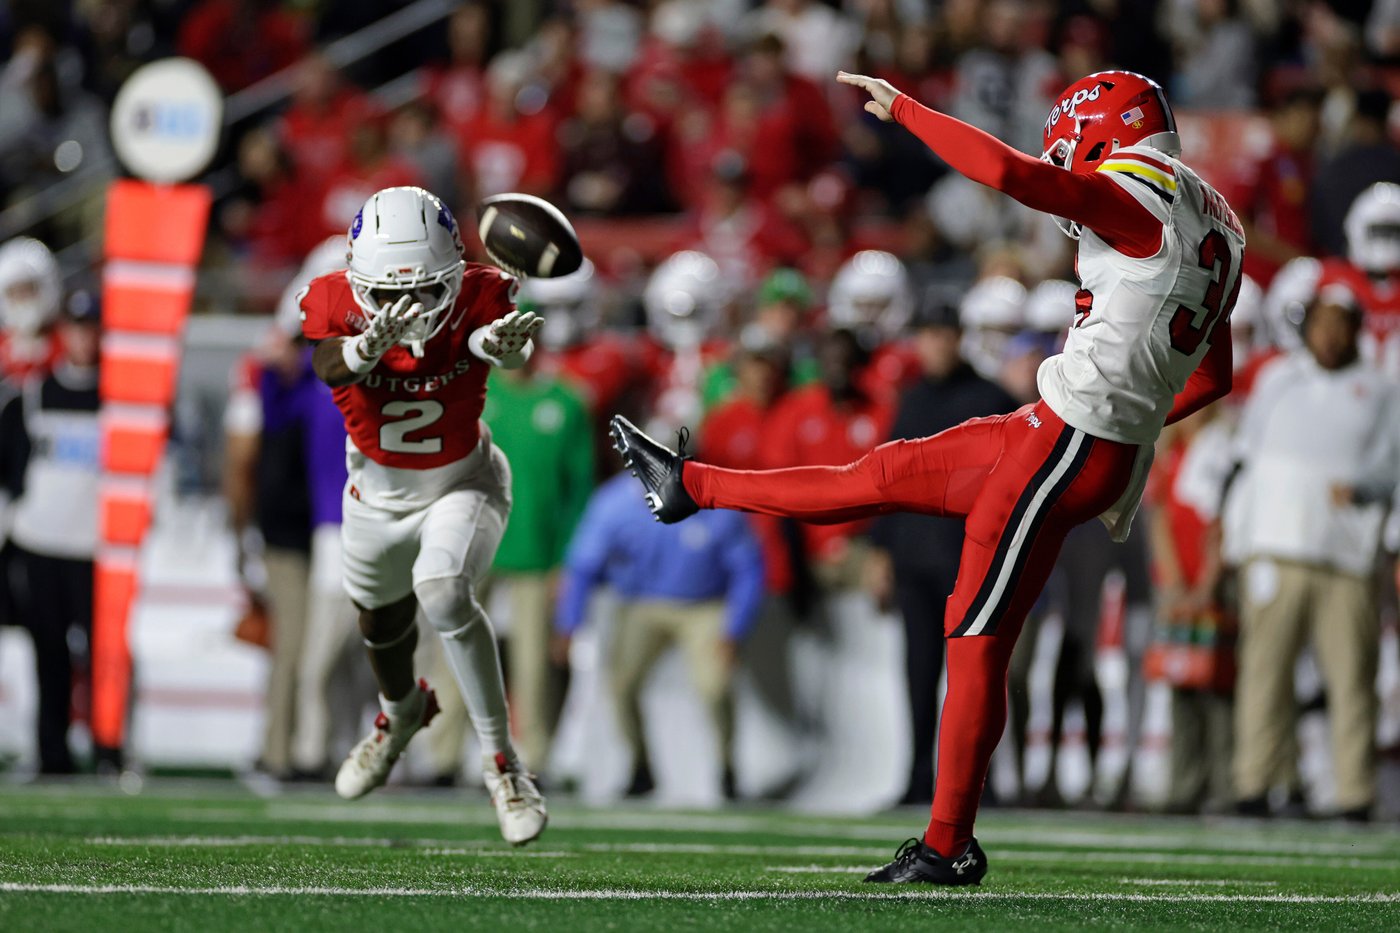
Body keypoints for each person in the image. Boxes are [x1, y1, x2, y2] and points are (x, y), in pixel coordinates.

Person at [611, 69, 1241, 885]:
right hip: (1068, 430)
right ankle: (689, 483)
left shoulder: (1138, 197)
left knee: (974, 635)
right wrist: (1131, 420)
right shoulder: (1209, 213)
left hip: (1068, 440)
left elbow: (1015, 175)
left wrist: (906, 109)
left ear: (1102, 131)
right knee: (880, 472)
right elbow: (1212, 375)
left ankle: (948, 842)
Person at [299, 185, 547, 844]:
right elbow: (325, 363)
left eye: (427, 289)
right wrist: (360, 351)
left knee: (443, 590)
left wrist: (501, 346)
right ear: (356, 279)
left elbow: (509, 347)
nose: (405, 309)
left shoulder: (479, 294)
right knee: (381, 628)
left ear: (456, 270)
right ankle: (399, 712)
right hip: (375, 498)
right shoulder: (331, 300)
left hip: (462, 481)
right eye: (384, 294)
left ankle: (504, 765)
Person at [1228, 285, 1398, 821]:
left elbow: (1393, 465)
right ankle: (1255, 784)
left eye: (1340, 323)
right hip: (1276, 547)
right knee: (1264, 674)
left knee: (1352, 680)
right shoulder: (1278, 379)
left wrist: (1366, 490)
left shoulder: (1380, 390)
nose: (1329, 334)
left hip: (1348, 556)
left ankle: (1354, 794)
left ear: (1356, 329)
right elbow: (1247, 460)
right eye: (1321, 322)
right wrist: (1240, 544)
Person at [867, 298, 1017, 806]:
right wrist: (880, 552)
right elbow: (886, 478)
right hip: (914, 558)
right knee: (918, 673)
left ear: (959, 338)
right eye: (927, 334)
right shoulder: (911, 400)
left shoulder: (992, 397)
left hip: (968, 561)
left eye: (943, 334)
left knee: (972, 676)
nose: (935, 344)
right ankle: (915, 779)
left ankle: (979, 782)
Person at [554, 470, 766, 800]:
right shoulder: (615, 503)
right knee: (621, 683)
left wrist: (734, 628)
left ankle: (727, 769)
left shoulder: (716, 500)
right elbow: (583, 564)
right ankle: (640, 768)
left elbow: (747, 567)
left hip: (704, 605)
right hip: (642, 603)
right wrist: (569, 623)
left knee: (714, 685)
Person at [0, 293, 104, 773]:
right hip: (40, 540)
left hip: (94, 545)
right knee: (49, 651)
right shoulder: (33, 392)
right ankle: (52, 752)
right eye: (78, 326)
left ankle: (109, 749)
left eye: (93, 327)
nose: (85, 337)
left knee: (104, 653)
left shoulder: (116, 397)